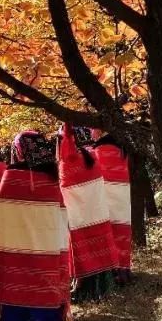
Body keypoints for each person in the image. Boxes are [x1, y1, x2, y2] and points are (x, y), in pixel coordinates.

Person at [0, 131, 71, 321]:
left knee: (14, 281)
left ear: (19, 151)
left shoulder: (11, 177)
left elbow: (0, 219)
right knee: (42, 281)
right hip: (45, 250)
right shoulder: (51, 179)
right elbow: (60, 217)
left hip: (13, 250)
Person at [57, 124, 118, 301]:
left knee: (77, 245)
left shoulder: (68, 160)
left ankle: (80, 284)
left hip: (77, 219)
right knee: (95, 245)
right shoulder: (93, 154)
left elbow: (64, 190)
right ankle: (98, 285)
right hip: (97, 214)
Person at [90, 128, 133, 282]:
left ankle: (111, 271)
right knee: (122, 228)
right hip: (121, 192)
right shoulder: (122, 147)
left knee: (108, 229)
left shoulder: (99, 150)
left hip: (106, 193)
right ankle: (123, 269)